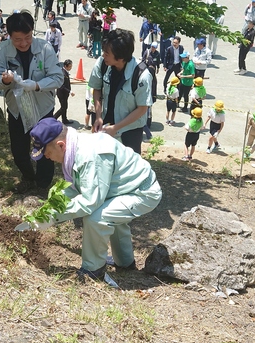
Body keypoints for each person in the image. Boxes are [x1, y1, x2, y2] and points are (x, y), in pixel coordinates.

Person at [22, 118, 162, 282]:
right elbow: (76, 188)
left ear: (61, 145)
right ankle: (125, 263)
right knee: (111, 214)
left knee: (97, 217)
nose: (46, 157)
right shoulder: (74, 148)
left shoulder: (89, 155)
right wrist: (47, 211)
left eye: (47, 152)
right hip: (123, 188)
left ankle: (93, 270)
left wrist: (53, 217)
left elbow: (90, 202)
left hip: (142, 191)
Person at [0, 11, 63, 192]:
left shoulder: (44, 48)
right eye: (18, 39)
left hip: (42, 107)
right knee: (19, 151)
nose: (23, 43)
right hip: (17, 108)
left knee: (46, 148)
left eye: (27, 37)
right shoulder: (2, 50)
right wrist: (4, 81)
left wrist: (37, 85)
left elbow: (58, 77)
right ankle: (28, 177)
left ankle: (43, 184)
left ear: (32, 32)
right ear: (9, 35)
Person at [89, 29, 153, 154]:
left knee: (128, 169)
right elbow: (97, 88)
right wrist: (98, 117)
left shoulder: (141, 75)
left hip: (130, 130)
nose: (103, 55)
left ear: (120, 57)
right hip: (106, 125)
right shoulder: (103, 64)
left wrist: (116, 128)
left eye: (107, 53)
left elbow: (142, 108)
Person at [54, 59, 74, 124]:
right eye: (69, 66)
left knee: (65, 107)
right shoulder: (62, 73)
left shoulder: (65, 72)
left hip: (65, 94)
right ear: (65, 66)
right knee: (63, 108)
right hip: (61, 94)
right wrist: (70, 91)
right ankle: (54, 118)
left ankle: (64, 119)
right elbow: (62, 86)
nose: (70, 68)